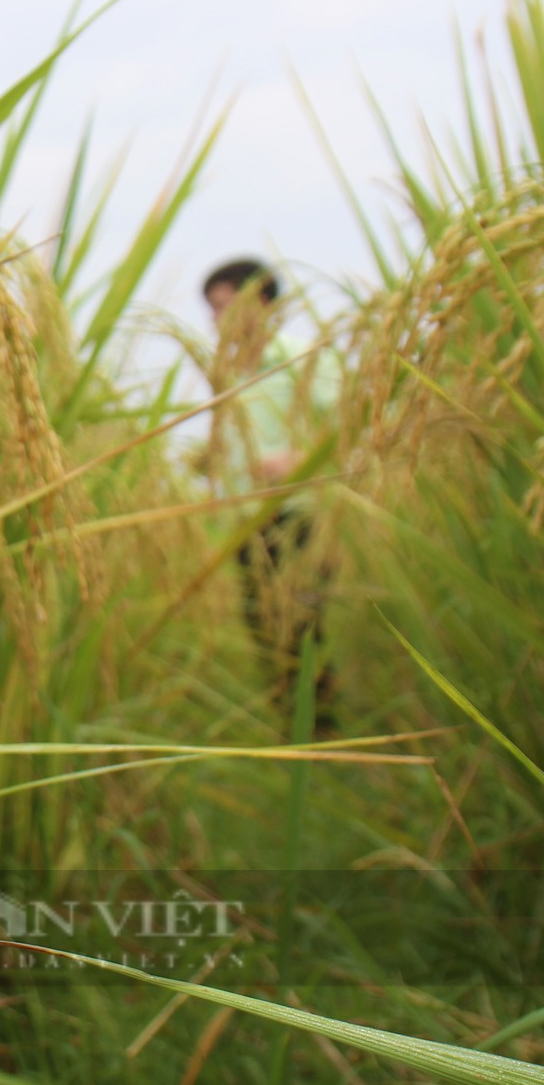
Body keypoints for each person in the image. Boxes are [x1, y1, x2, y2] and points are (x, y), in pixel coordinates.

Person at [201, 258, 337, 733]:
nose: (216, 320)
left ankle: (322, 732)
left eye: (222, 307)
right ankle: (291, 727)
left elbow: (349, 427)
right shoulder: (228, 374)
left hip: (297, 515)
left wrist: (297, 459)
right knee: (262, 623)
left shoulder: (302, 357)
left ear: (259, 301)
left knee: (301, 623)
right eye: (212, 311)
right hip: (247, 521)